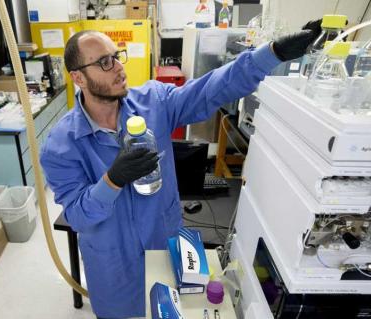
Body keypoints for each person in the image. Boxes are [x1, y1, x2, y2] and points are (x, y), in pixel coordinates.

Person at [40, 21, 323, 318]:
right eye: (105, 62)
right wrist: (112, 181)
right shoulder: (61, 145)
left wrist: (272, 54)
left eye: (117, 56)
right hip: (113, 267)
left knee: (172, 311)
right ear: (78, 78)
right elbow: (77, 216)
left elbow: (212, 88)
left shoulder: (155, 102)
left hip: (165, 246)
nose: (119, 68)